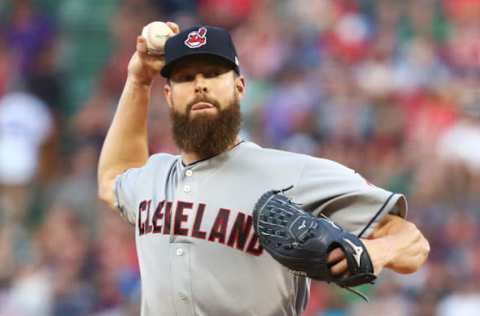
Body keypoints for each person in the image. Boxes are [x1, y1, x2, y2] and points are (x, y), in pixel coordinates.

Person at [97, 23, 430, 316]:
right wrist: (139, 80)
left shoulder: (291, 172)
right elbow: (112, 179)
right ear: (168, 96)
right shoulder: (155, 174)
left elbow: (412, 243)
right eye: (186, 78)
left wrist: (375, 251)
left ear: (240, 87)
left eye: (213, 74)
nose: (200, 85)